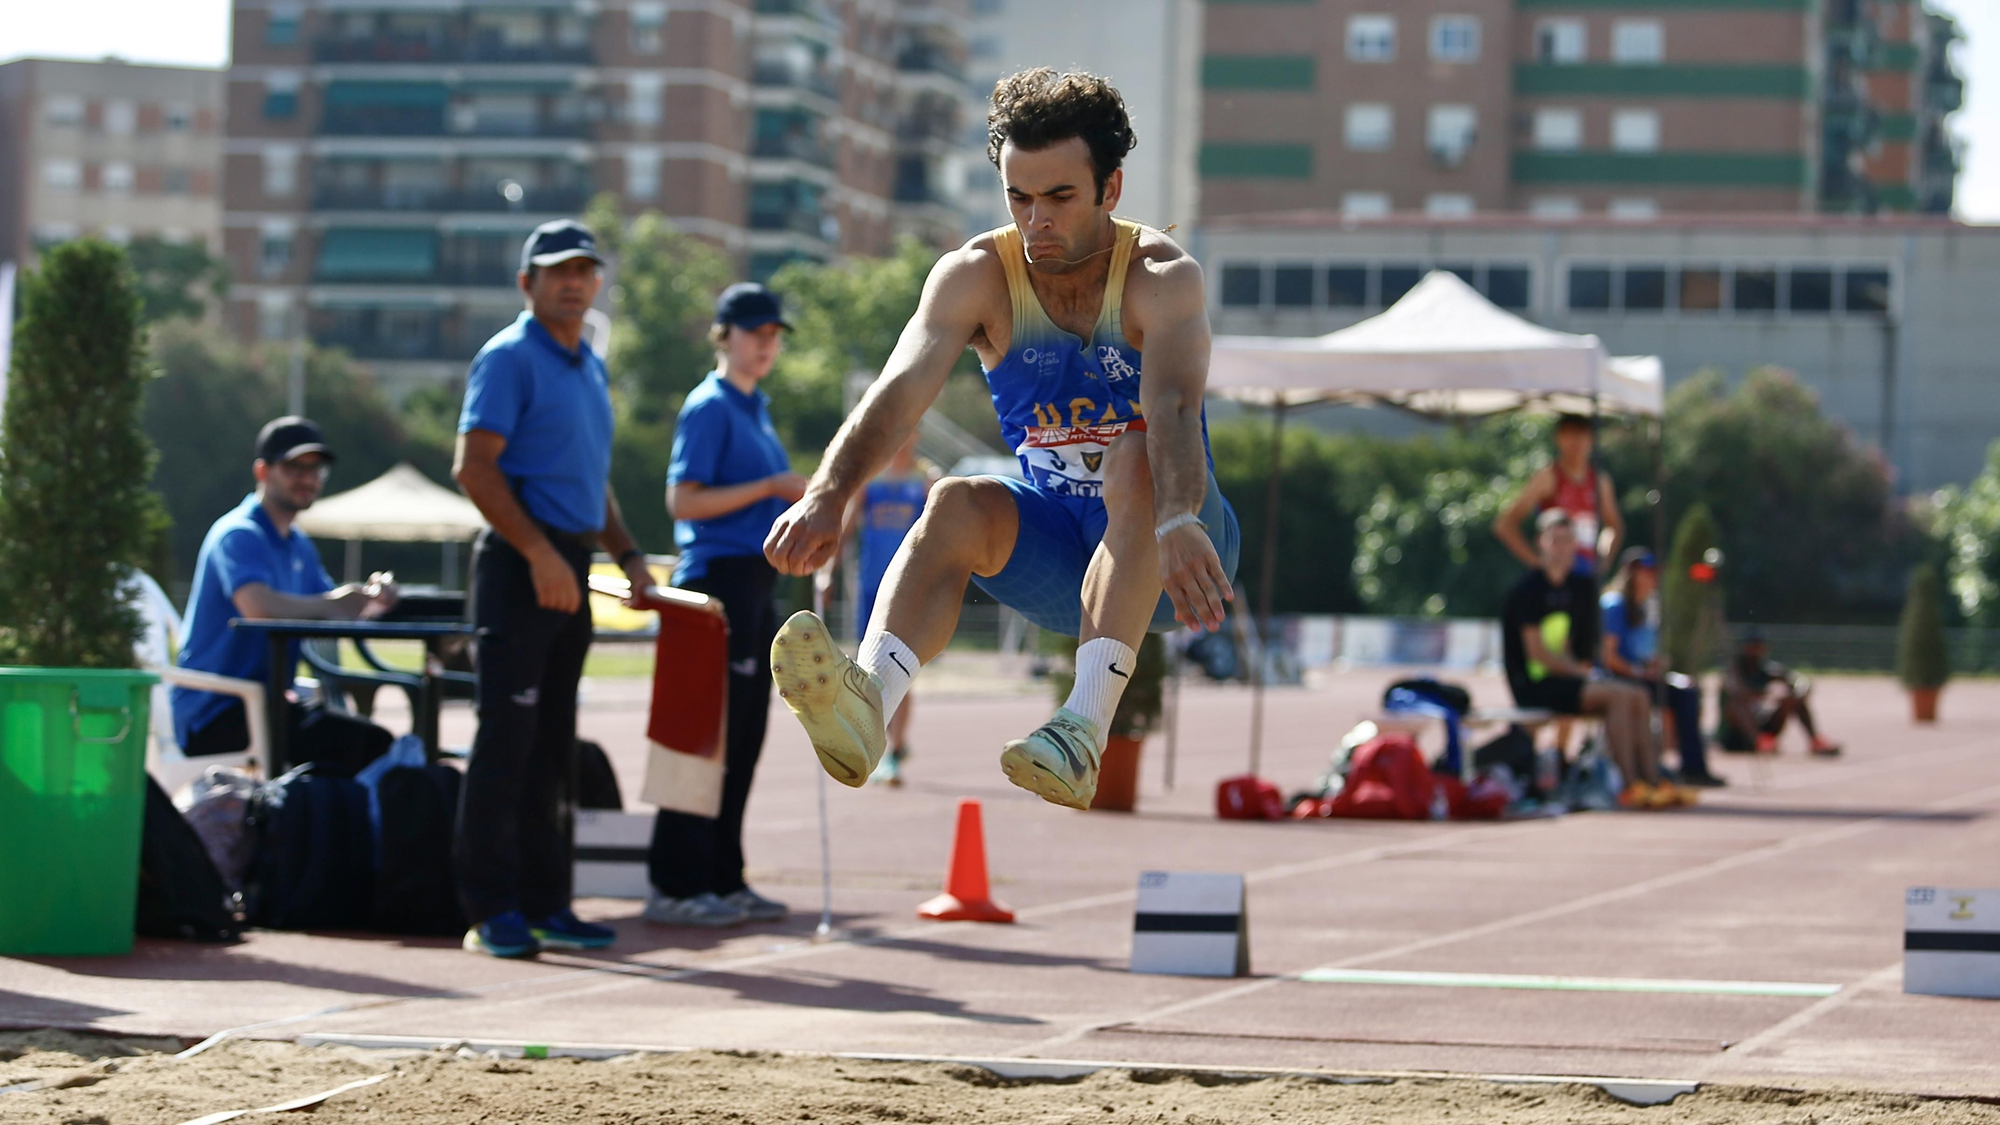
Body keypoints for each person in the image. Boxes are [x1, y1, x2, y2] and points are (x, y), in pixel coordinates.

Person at [762, 68, 1240, 810]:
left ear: (1110, 190)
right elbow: (897, 392)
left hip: (1178, 542)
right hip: (1061, 559)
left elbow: (1175, 408)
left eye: (1059, 197)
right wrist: (827, 494)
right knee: (954, 499)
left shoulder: (1161, 277)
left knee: (1132, 450)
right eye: (1018, 196)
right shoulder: (975, 276)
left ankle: (1082, 731)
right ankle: (868, 705)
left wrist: (1180, 516)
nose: (1035, 220)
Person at [452, 218, 656, 959]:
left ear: (597, 281)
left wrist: (627, 552)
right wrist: (537, 553)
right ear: (526, 283)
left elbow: (587, 477)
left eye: (584, 269)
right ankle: (490, 909)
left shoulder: (587, 364)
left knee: (552, 749)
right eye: (557, 270)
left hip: (567, 564)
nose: (573, 281)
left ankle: (547, 902)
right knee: (505, 743)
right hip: (517, 565)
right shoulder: (508, 358)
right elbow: (474, 468)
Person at [644, 282, 807, 928]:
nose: (766, 343)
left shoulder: (755, 405)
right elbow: (683, 501)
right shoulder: (709, 406)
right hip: (715, 584)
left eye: (773, 334)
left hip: (755, 583)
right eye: (754, 331)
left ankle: (722, 874)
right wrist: (768, 485)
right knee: (702, 736)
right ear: (724, 335)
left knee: (743, 738)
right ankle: (676, 879)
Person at [172, 417, 398, 770]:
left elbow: (332, 610)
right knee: (370, 747)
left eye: (316, 469)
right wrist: (334, 604)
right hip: (216, 713)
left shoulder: (298, 545)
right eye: (294, 467)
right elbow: (257, 609)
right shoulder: (239, 533)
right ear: (262, 472)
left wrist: (373, 598)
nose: (308, 478)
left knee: (370, 744)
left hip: (268, 705)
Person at [1502, 510, 1682, 809]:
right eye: (1554, 540)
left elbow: (1585, 650)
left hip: (1571, 679)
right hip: (1535, 683)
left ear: (1576, 544)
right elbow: (1538, 655)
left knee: (1637, 695)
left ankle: (1652, 780)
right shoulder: (1526, 590)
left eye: (1567, 540)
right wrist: (1581, 674)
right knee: (1619, 698)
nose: (1561, 547)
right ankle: (1630, 784)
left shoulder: (1582, 587)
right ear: (1540, 543)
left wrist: (1583, 670)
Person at [819, 431, 941, 786]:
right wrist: (829, 573)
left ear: (917, 434)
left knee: (899, 666)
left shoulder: (926, 481)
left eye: (908, 432)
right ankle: (878, 742)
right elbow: (848, 528)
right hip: (873, 587)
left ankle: (894, 749)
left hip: (910, 588)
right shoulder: (870, 482)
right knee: (868, 667)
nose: (900, 440)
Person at [1598, 548, 1726, 788]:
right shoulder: (1614, 605)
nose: (1654, 578)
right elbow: (1609, 657)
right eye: (1648, 572)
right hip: (1618, 678)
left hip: (1640, 675)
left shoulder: (1646, 607)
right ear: (1632, 573)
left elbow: (1644, 654)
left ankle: (1692, 767)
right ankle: (1642, 769)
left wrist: (1654, 664)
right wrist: (1639, 671)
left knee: (1687, 691)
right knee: (1661, 695)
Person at [1494, 414, 1624, 577]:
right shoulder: (1548, 477)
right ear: (1558, 438)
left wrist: (1604, 559)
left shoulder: (1600, 481)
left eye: (1581, 435)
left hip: (1587, 574)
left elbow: (1614, 525)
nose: (1576, 442)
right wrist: (1537, 564)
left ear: (1591, 439)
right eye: (1569, 435)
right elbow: (1505, 525)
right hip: (1558, 574)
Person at [1718, 630, 1842, 757]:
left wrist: (1796, 694)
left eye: (1758, 646)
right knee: (1738, 703)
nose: (1755, 650)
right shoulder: (1734, 670)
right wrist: (1765, 693)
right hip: (1736, 734)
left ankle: (1815, 740)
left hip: (1765, 726)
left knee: (1792, 698)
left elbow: (1801, 682)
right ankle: (1758, 740)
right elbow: (1737, 692)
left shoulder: (1770, 670)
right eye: (1752, 646)